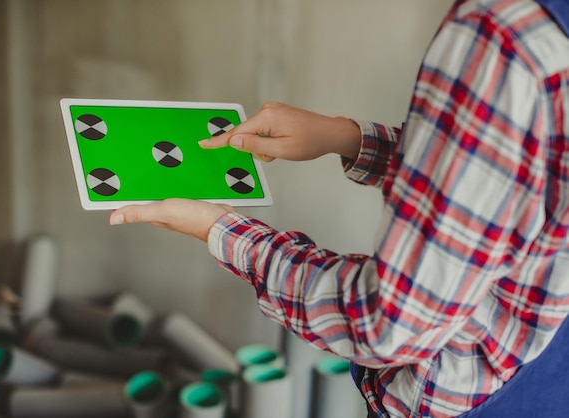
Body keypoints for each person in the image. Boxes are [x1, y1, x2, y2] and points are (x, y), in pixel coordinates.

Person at [109, 0, 569, 416]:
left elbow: (388, 323)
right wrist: (345, 137)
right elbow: (514, 180)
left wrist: (223, 230)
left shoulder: (501, 32)